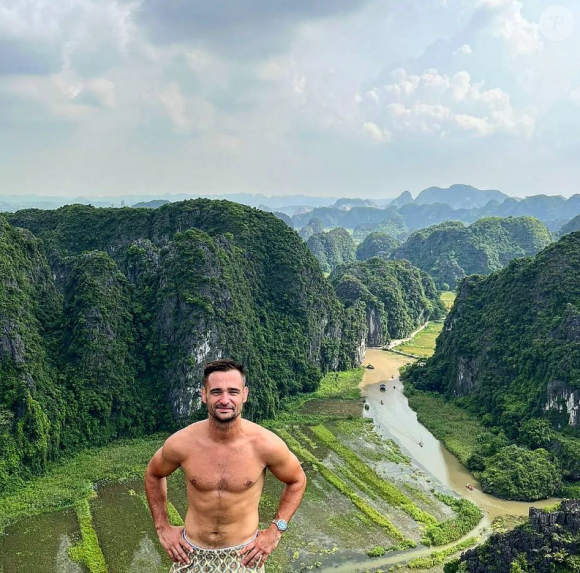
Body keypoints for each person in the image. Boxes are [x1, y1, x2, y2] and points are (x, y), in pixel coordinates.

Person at [145, 359, 307, 572]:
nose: (224, 400)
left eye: (232, 391)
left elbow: (297, 479)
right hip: (191, 555)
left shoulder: (265, 445)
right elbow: (153, 473)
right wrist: (162, 527)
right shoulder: (182, 443)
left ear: (244, 395)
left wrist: (275, 531)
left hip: (243, 557)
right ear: (204, 395)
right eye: (216, 392)